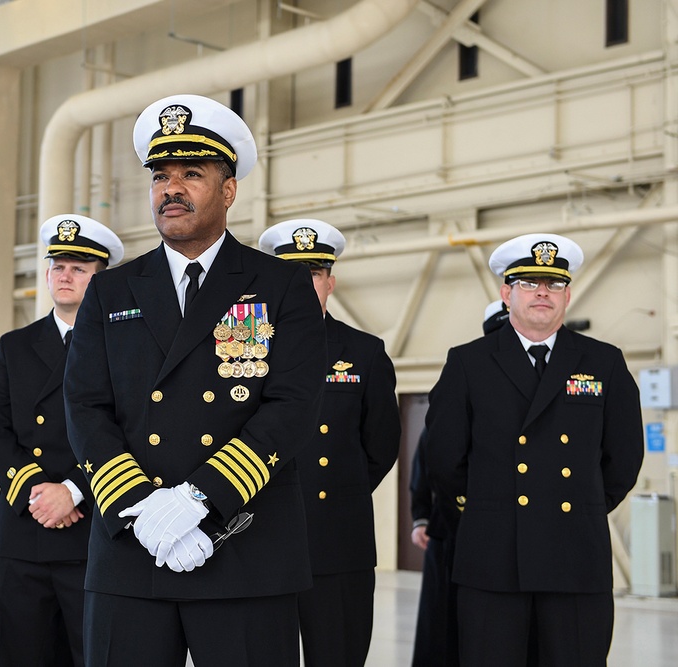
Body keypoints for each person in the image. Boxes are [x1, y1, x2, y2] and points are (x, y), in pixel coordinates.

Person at [63, 93, 326, 666]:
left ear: (228, 190)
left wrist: (202, 499)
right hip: (133, 548)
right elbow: (85, 406)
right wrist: (141, 506)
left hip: (245, 545)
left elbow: (293, 405)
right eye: (160, 175)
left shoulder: (280, 286)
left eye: (191, 173)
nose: (170, 188)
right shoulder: (111, 291)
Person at [425, 233, 644, 666]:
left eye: (554, 284)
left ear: (567, 295)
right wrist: (490, 508)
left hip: (576, 556)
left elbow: (624, 455)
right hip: (493, 558)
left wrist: (582, 505)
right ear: (507, 293)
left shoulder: (604, 362)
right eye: (528, 283)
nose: (542, 292)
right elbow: (444, 458)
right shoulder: (468, 362)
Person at [0, 214, 124, 667]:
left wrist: (74, 491)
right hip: (23, 530)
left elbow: (131, 431)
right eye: (58, 265)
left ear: (101, 278)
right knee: (16, 654)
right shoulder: (15, 345)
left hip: (93, 531)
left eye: (79, 267)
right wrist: (35, 493)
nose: (65, 275)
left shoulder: (124, 345)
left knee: (95, 655)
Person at [258, 218, 401, 666]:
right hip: (259, 534)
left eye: (314, 272)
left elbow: (380, 445)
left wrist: (338, 491)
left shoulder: (364, 352)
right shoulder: (240, 349)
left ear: (330, 283)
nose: (302, 282)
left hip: (338, 537)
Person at [410, 299, 508, 667]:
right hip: (453, 524)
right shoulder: (468, 374)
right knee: (445, 621)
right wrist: (423, 515)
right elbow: (432, 456)